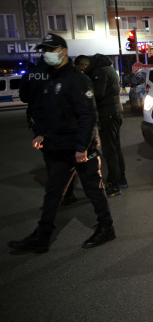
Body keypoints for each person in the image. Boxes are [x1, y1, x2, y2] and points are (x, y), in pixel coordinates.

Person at [8, 34, 115, 252]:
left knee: (93, 189)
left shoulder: (76, 79)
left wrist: (81, 147)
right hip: (57, 147)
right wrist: (40, 132)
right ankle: (42, 236)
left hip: (79, 147)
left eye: (51, 49)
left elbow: (88, 115)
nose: (46, 53)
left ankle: (106, 228)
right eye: (44, 50)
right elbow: (43, 110)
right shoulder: (50, 78)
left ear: (63, 51)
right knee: (53, 192)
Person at [84, 53, 127, 196]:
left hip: (107, 114)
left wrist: (85, 94)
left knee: (109, 151)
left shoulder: (100, 72)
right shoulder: (110, 69)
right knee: (116, 147)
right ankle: (121, 179)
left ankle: (113, 184)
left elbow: (98, 93)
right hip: (116, 112)